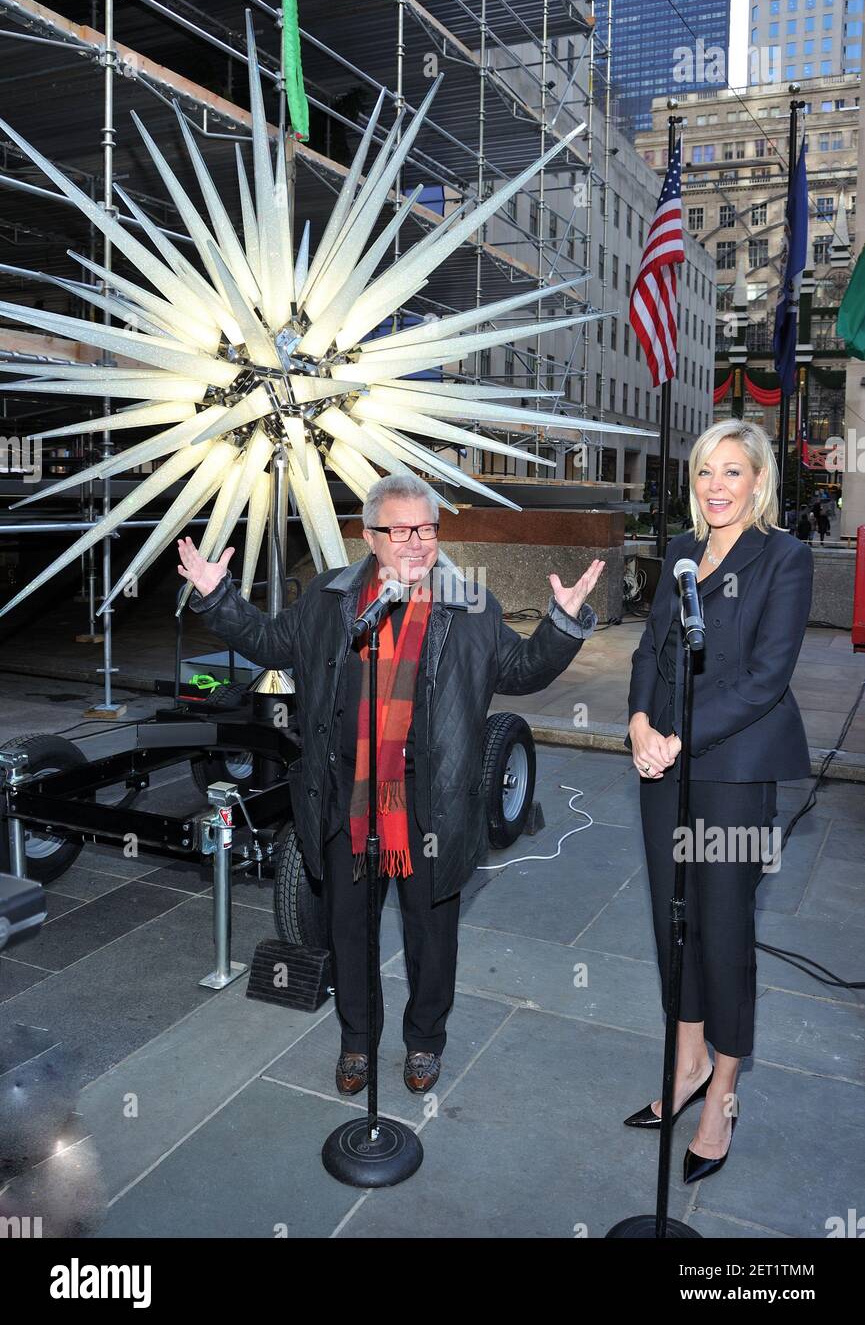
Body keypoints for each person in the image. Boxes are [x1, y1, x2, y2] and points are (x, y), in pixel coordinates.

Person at [179, 473, 604, 1096]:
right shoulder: (330, 598)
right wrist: (219, 599)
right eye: (402, 531)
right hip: (345, 796)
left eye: (428, 530)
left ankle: (425, 1041)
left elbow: (521, 671)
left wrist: (562, 624)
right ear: (370, 537)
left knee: (432, 935)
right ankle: (357, 1041)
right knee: (348, 930)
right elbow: (272, 645)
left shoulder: (468, 604)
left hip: (432, 802)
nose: (418, 544)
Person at [623, 419, 812, 1185]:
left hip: (732, 770)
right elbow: (647, 653)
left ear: (757, 483)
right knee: (676, 921)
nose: (715, 486)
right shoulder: (677, 554)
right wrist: (638, 721)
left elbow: (765, 679)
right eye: (705, 472)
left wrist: (678, 737)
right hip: (661, 765)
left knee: (724, 927)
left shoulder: (785, 559)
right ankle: (688, 1057)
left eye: (731, 472)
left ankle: (722, 1091)